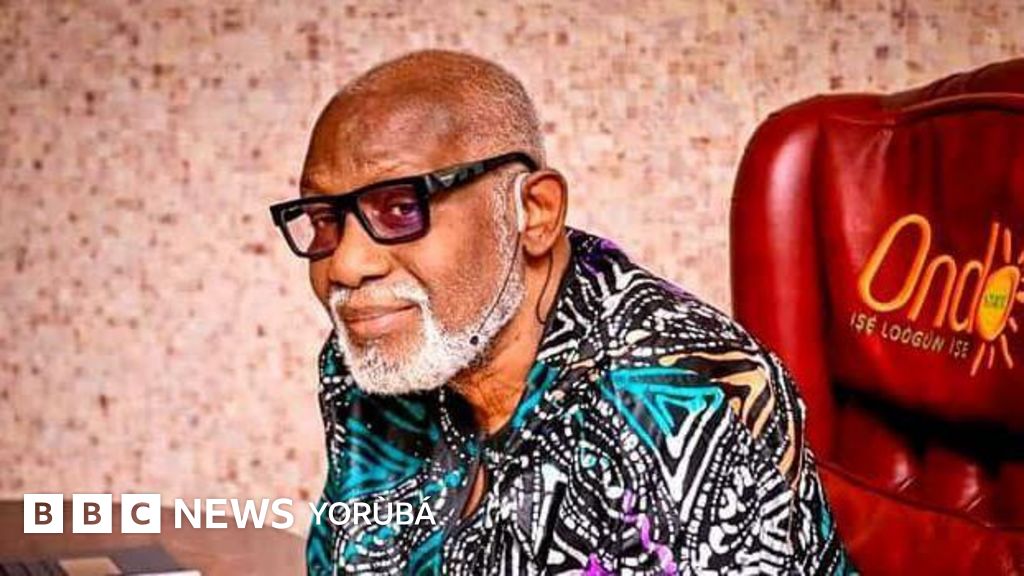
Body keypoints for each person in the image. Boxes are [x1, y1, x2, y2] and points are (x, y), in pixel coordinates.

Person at [269, 49, 851, 575]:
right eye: (324, 219)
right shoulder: (380, 347)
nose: (346, 265)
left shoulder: (669, 407)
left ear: (536, 212)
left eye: (401, 207)